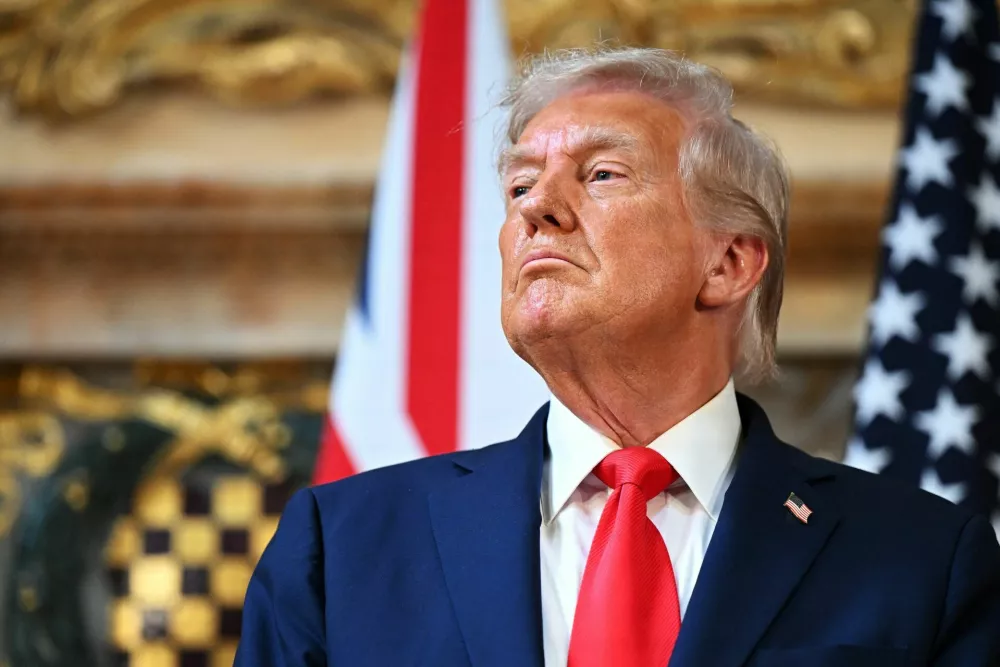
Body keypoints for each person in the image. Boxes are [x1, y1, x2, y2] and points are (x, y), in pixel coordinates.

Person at [234, 47, 1000, 667]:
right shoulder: (342, 547)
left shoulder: (923, 558)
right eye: (521, 184)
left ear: (728, 263)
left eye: (601, 174)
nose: (536, 207)